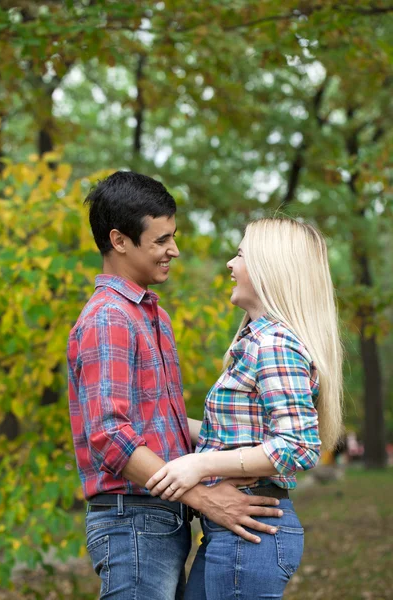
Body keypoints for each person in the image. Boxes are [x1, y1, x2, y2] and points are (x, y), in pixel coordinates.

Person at [67, 172, 282, 600]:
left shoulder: (152, 317)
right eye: (161, 240)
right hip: (133, 521)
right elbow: (110, 436)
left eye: (174, 236)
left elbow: (161, 424)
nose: (174, 250)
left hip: (160, 517)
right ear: (120, 240)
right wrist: (203, 498)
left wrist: (248, 440)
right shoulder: (109, 317)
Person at [146, 217, 343, 600]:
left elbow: (298, 446)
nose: (230, 265)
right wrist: (161, 422)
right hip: (234, 534)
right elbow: (238, 436)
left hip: (249, 539)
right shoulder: (258, 342)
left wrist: (200, 465)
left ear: (271, 269)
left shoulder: (273, 344)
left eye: (240, 255)